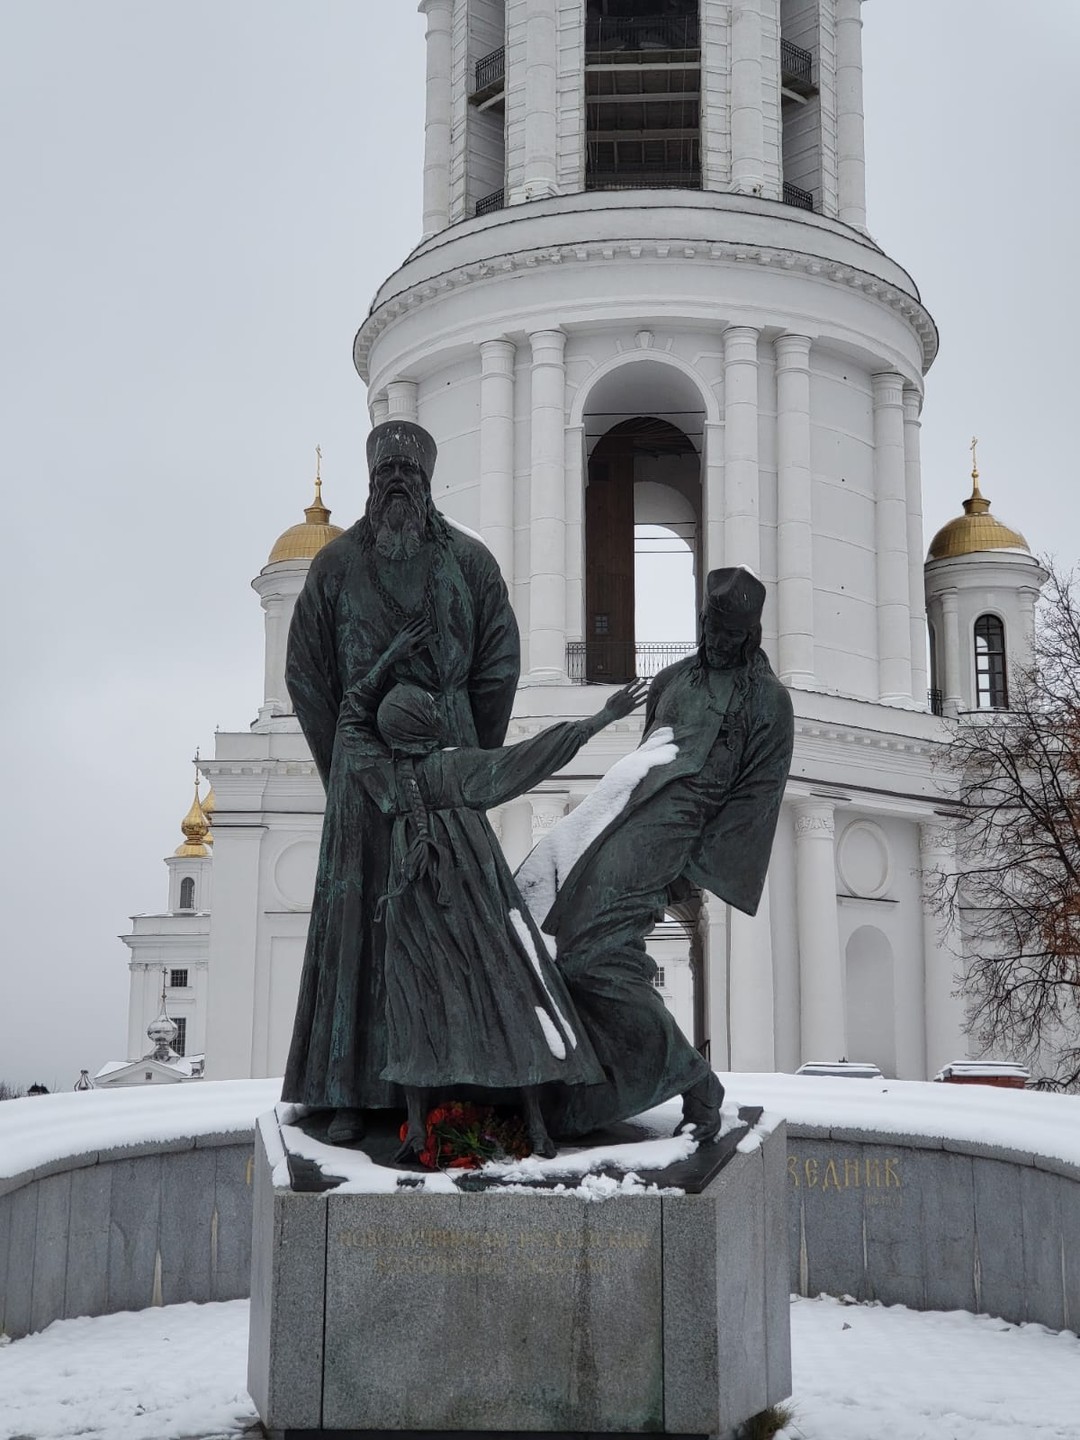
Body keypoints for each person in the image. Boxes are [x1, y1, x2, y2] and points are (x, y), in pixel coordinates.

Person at [282, 421, 520, 1142]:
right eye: (385, 475)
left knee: (456, 921)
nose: (395, 487)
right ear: (370, 483)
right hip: (362, 777)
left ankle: (458, 1080)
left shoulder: (470, 565)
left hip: (443, 765)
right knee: (360, 929)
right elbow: (306, 672)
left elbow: (499, 665)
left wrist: (464, 752)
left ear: (425, 486)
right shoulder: (335, 567)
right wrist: (346, 763)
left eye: (406, 477)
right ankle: (348, 1087)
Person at [517, 566, 794, 1141]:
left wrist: (697, 868)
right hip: (624, 813)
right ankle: (589, 1080)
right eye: (709, 627)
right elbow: (647, 753)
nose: (715, 641)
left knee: (589, 959)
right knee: (560, 941)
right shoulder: (673, 680)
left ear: (750, 634)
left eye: (728, 634)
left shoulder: (769, 701)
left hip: (681, 833)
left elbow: (758, 794)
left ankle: (689, 1080)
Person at [347, 650, 648, 1160]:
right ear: (427, 723)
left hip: (414, 918)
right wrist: (603, 718)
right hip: (477, 912)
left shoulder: (386, 782)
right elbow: (534, 757)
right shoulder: (459, 768)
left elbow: (351, 721)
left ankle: (420, 1131)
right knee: (513, 1000)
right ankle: (535, 1126)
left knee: (415, 1012)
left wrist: (386, 663)